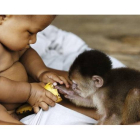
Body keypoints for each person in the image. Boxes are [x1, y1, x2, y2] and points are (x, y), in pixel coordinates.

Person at [0, 15, 71, 125]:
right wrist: (29, 92)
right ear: (2, 18)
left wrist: (41, 72)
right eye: (30, 32)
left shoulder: (12, 43)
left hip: (21, 99)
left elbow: (26, 54)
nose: (34, 40)